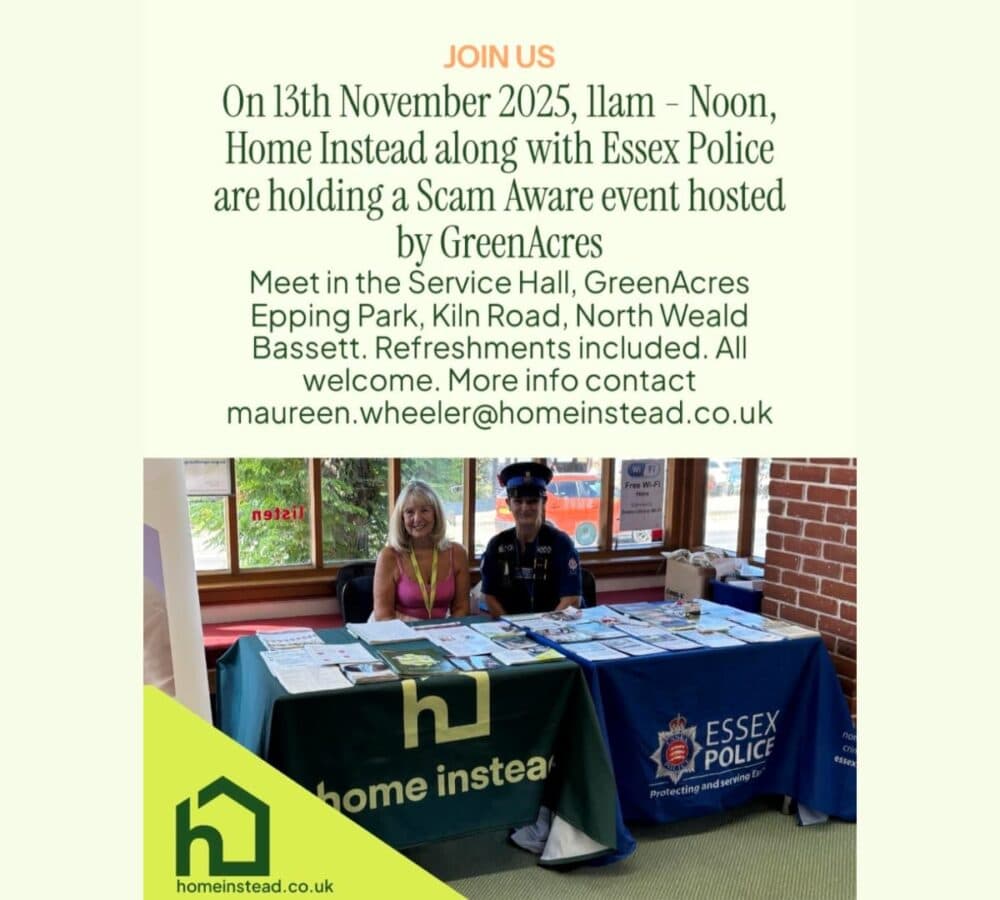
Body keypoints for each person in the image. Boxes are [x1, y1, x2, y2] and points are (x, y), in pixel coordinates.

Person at [480, 462, 582, 617]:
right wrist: (512, 627)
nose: (525, 508)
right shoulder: (497, 545)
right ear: (508, 503)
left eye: (532, 501)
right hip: (511, 631)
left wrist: (546, 628)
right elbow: (489, 596)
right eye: (518, 501)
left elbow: (572, 599)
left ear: (544, 502)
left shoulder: (560, 543)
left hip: (554, 628)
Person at [373, 480, 470, 621]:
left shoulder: (457, 553)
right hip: (400, 634)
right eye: (409, 512)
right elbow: (383, 617)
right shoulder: (389, 556)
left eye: (425, 510)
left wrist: (447, 635)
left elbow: (462, 608)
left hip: (444, 634)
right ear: (401, 518)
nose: (417, 518)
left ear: (436, 514)